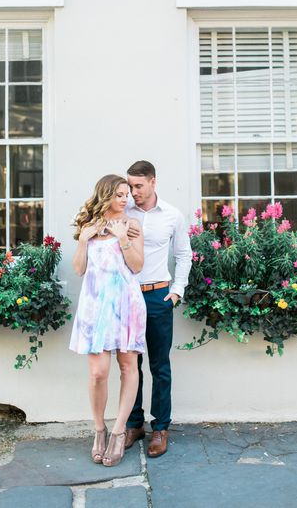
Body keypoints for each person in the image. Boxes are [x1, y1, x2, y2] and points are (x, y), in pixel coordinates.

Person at [69, 174, 147, 467]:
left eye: (127, 194)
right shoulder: (88, 226)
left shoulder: (132, 224)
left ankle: (118, 432)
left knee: (128, 367)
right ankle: (99, 430)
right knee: (98, 373)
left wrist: (123, 238)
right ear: (105, 195)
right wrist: (83, 240)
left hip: (126, 303)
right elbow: (79, 269)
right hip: (95, 305)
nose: (125, 199)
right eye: (119, 194)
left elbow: (137, 266)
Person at [125, 160, 192, 458]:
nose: (133, 192)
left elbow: (183, 254)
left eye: (138, 186)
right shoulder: (123, 211)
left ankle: (160, 427)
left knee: (159, 366)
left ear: (153, 182)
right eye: (130, 186)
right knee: (130, 366)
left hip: (157, 297)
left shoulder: (172, 215)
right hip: (128, 296)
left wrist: (176, 291)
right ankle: (133, 424)